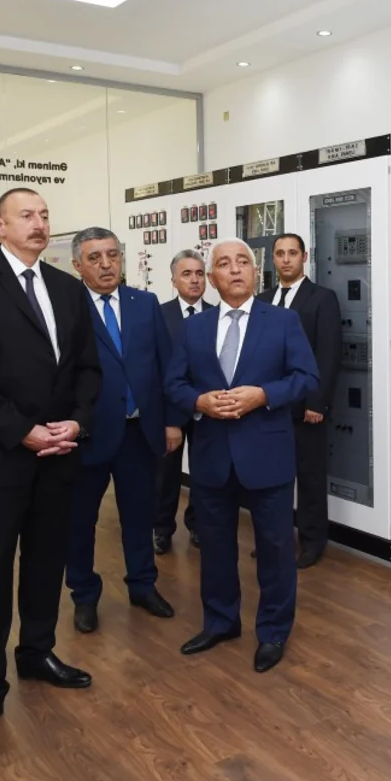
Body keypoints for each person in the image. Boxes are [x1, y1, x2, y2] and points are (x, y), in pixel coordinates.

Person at [0, 187, 101, 754]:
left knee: (47, 559)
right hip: (0, 453)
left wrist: (76, 423)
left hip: (60, 451)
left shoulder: (68, 288)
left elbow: (87, 368)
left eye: (45, 215)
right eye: (26, 215)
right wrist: (20, 430)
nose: (39, 223)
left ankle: (36, 651)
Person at [164, 237, 319, 672]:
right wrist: (199, 402)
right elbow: (173, 383)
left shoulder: (283, 321)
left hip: (267, 455)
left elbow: (307, 377)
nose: (234, 269)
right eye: (224, 264)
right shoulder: (194, 327)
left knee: (275, 550)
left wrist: (263, 395)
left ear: (255, 272)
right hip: (212, 456)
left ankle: (273, 632)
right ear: (211, 278)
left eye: (243, 262)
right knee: (215, 548)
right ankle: (220, 622)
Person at [65, 227, 182, 634]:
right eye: (94, 258)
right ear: (78, 265)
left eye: (112, 255)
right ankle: (84, 595)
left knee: (139, 514)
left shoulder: (144, 304)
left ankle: (143, 586)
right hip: (89, 434)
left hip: (139, 432)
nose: (106, 265)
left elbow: (167, 366)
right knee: (81, 520)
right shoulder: (68, 308)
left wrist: (171, 420)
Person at [258, 233, 342, 568]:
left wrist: (316, 403)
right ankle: (275, 539)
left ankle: (311, 543)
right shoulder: (262, 300)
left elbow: (328, 354)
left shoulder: (322, 298)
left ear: (304, 257)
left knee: (310, 478)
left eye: (292, 253)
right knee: (271, 478)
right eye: (280, 253)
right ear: (273, 259)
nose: (286, 259)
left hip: (306, 407)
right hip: (268, 406)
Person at [153, 249, 214, 554]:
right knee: (166, 475)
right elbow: (155, 371)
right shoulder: (158, 316)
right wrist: (168, 420)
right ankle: (162, 529)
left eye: (199, 273)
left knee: (204, 474)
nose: (194, 280)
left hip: (208, 410)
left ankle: (198, 525)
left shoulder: (218, 314)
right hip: (171, 411)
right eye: (187, 274)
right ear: (174, 280)